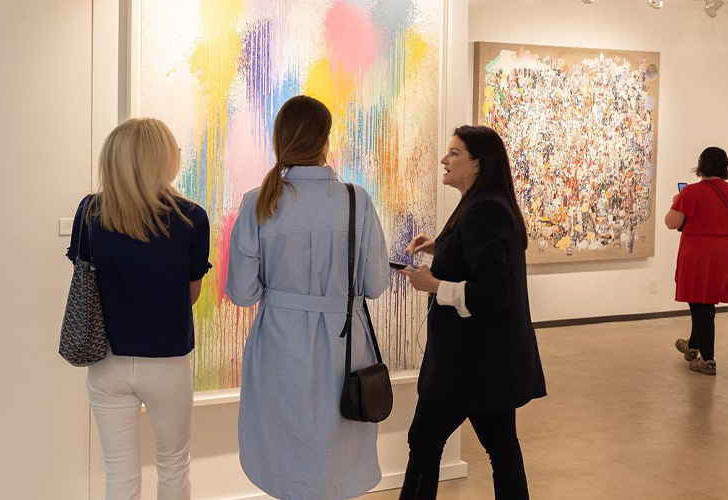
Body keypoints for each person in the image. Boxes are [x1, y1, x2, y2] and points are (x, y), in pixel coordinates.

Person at [225, 95, 390, 500]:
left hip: (279, 346)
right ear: (324, 141)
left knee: (285, 460)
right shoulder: (356, 199)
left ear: (281, 139)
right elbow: (376, 284)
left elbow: (242, 293)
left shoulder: (258, 203)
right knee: (336, 460)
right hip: (344, 348)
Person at [397, 125, 547, 500]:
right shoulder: (482, 203)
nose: (444, 160)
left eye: (454, 153)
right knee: (499, 449)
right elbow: (477, 259)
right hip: (483, 362)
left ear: (478, 164)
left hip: (471, 363)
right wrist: (439, 246)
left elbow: (495, 293)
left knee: (426, 442)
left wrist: (433, 285)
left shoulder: (484, 210)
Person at [67, 118, 211, 500]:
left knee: (120, 475)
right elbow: (190, 294)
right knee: (174, 466)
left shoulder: (91, 212)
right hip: (167, 361)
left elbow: (87, 284)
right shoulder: (190, 217)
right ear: (162, 159)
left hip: (107, 361)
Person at [665, 147, 728, 376]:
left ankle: (708, 359)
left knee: (700, 303)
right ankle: (692, 347)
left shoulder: (690, 193)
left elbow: (671, 223)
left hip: (698, 252)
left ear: (701, 165)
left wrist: (676, 202)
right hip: (726, 251)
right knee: (703, 299)